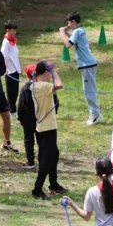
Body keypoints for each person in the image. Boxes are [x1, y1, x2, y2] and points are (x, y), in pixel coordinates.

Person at [59, 12, 102, 125]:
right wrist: (66, 33)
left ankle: (95, 114)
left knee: (89, 91)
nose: (68, 24)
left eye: (69, 22)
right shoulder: (80, 30)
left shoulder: (77, 31)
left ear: (73, 21)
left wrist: (62, 33)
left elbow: (68, 45)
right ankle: (94, 113)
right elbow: (74, 41)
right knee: (88, 89)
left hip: (87, 64)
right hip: (88, 64)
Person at [32, 61, 66, 200]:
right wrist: (54, 71)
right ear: (46, 72)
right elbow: (59, 85)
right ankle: (37, 189)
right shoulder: (43, 86)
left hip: (44, 127)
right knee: (47, 159)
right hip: (47, 128)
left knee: (53, 154)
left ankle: (53, 184)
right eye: (49, 73)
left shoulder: (36, 85)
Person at [17, 64, 39, 169]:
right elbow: (55, 101)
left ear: (27, 76)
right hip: (41, 117)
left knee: (29, 140)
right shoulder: (45, 87)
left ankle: (30, 161)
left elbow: (21, 106)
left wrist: (21, 118)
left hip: (28, 118)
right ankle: (43, 160)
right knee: (42, 139)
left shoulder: (25, 89)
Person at [1, 22, 22, 117]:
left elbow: (15, 55)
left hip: (15, 69)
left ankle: (13, 108)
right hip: (9, 70)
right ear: (8, 30)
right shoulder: (6, 42)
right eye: (13, 30)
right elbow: (3, 56)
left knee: (15, 91)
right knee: (11, 91)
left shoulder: (12, 41)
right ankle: (11, 110)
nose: (15, 32)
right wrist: (5, 68)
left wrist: (19, 67)